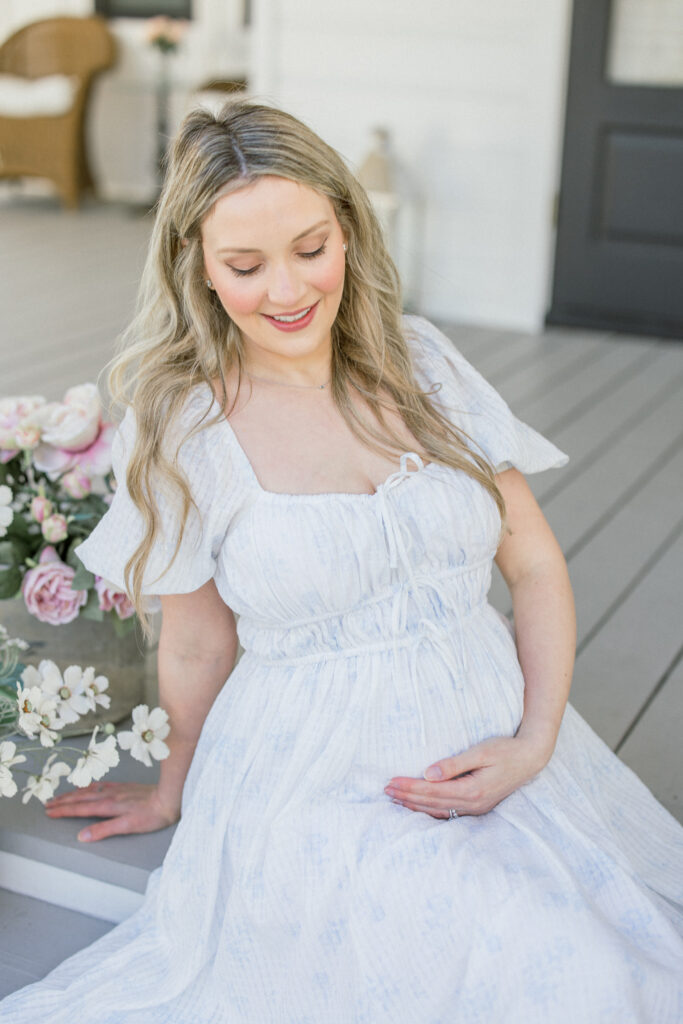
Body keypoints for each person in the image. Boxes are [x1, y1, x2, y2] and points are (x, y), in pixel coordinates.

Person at [2, 100, 681, 1023]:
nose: (286, 290)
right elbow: (196, 642)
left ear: (350, 231)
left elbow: (532, 565)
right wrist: (175, 790)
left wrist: (533, 742)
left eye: (310, 247)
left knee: (604, 967)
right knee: (541, 971)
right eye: (244, 265)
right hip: (314, 769)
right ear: (196, 266)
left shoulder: (424, 365)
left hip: (496, 729)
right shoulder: (182, 428)